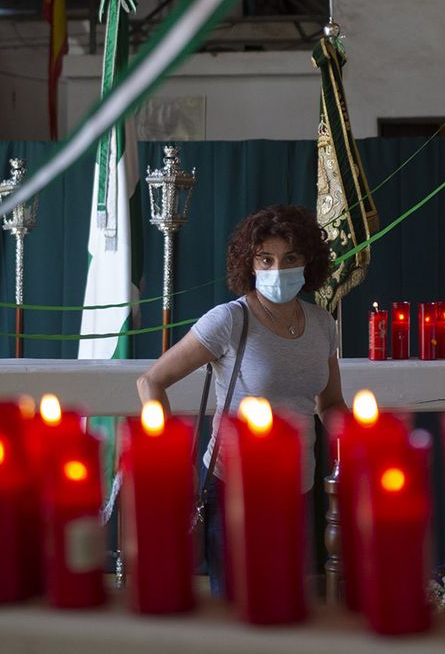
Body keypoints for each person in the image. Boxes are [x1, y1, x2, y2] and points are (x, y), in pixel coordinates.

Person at [136, 204, 347, 596]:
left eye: (290, 258)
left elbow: (330, 403)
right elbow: (151, 381)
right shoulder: (229, 320)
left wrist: (359, 444)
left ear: (308, 262)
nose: (277, 269)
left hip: (299, 489)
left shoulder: (321, 324)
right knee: (235, 614)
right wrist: (166, 461)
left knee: (287, 608)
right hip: (234, 488)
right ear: (249, 263)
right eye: (265, 258)